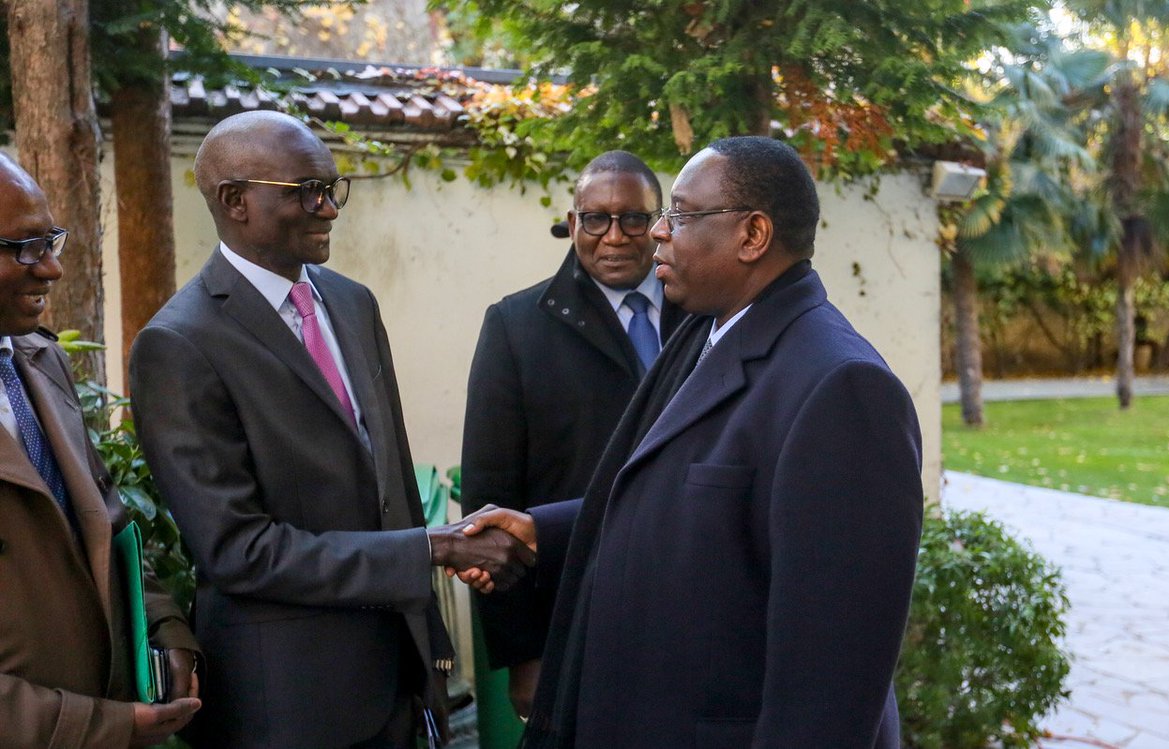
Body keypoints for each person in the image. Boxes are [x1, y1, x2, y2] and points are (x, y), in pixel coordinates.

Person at [463, 136, 924, 748]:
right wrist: (542, 531)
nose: (658, 232)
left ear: (752, 235)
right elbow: (686, 497)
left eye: (679, 215)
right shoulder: (706, 331)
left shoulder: (843, 389)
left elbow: (831, 673)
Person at [127, 110, 533, 749]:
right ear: (235, 201)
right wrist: (432, 549)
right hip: (289, 704)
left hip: (400, 681)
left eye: (332, 188)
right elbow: (238, 551)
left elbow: (392, 484)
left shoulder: (351, 301)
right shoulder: (179, 343)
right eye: (307, 191)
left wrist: (432, 649)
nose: (329, 208)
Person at [461, 150, 684, 715]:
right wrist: (522, 653)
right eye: (596, 219)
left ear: (660, 223)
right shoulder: (516, 326)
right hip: (573, 614)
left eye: (633, 218)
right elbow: (491, 497)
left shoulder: (705, 315)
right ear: (572, 221)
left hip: (689, 603)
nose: (615, 236)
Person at [0, 153, 202, 748]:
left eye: (51, 241)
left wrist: (164, 628)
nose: (53, 268)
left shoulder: (40, 359)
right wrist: (98, 727)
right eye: (25, 248)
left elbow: (106, 521)